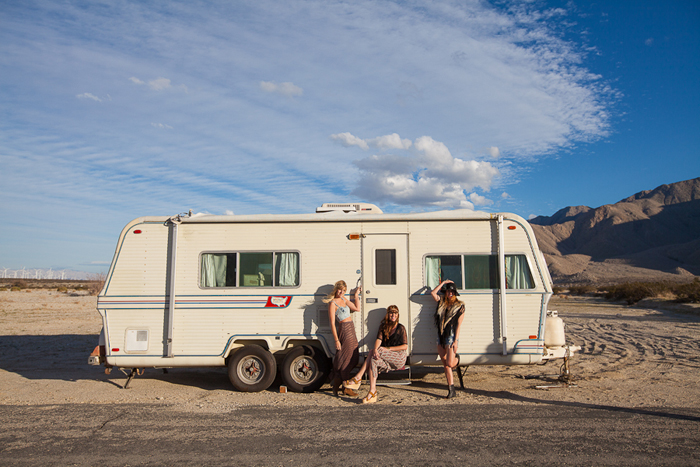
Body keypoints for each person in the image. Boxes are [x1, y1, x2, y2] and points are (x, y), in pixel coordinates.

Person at [343, 305, 408, 404]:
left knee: (377, 351)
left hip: (399, 358)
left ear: (398, 315)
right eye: (391, 313)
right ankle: (372, 392)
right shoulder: (383, 326)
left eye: (395, 313)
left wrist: (386, 349)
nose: (393, 315)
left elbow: (405, 346)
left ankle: (358, 378)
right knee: (373, 358)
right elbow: (379, 339)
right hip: (386, 359)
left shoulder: (401, 328)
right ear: (387, 314)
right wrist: (376, 351)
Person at [325, 280, 361, 396]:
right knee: (346, 357)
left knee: (354, 357)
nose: (342, 292)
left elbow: (356, 308)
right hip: (344, 329)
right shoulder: (333, 303)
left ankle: (337, 382)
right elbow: (332, 323)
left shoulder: (344, 300)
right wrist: (336, 340)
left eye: (344, 290)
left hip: (351, 328)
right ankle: (345, 387)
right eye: (340, 290)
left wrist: (356, 295)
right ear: (336, 289)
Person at [431, 279, 465, 399]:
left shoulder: (460, 306)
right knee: (445, 364)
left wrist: (456, 341)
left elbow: (458, 325)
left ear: (455, 293)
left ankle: (457, 360)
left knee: (450, 363)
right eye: (448, 291)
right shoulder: (442, 303)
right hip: (440, 335)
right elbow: (433, 293)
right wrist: (443, 283)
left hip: (451, 336)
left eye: (452, 292)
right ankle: (451, 389)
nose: (450, 294)